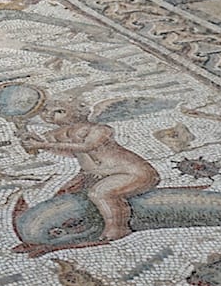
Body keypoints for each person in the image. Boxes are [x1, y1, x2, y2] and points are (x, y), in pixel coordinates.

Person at [19, 98, 160, 242]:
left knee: (100, 193)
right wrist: (32, 141)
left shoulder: (99, 129)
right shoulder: (58, 134)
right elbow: (63, 151)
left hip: (133, 173)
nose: (50, 115)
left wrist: (43, 144)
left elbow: (88, 146)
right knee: (70, 192)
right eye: (45, 111)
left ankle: (119, 228)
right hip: (100, 175)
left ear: (80, 112)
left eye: (60, 111)